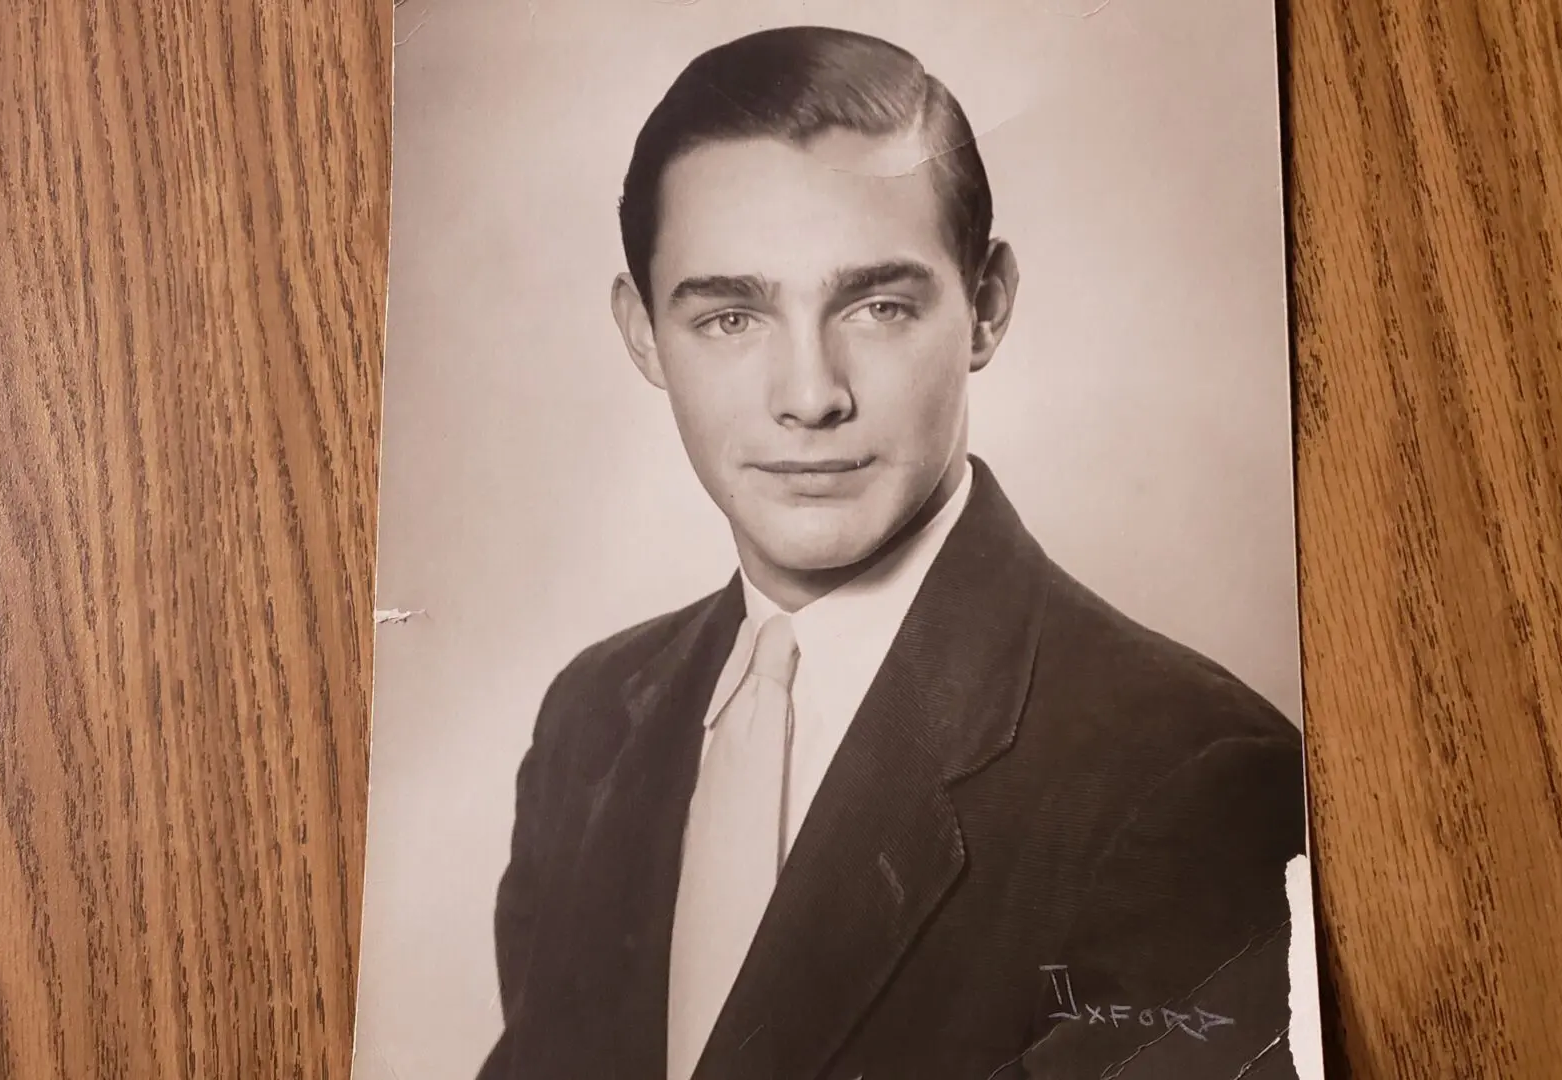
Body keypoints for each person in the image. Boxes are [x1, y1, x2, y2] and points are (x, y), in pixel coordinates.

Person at [478, 25, 1306, 1080]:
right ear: (643, 334)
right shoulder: (591, 716)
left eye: (878, 306)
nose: (811, 396)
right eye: (731, 316)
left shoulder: (1196, 783)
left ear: (986, 308)